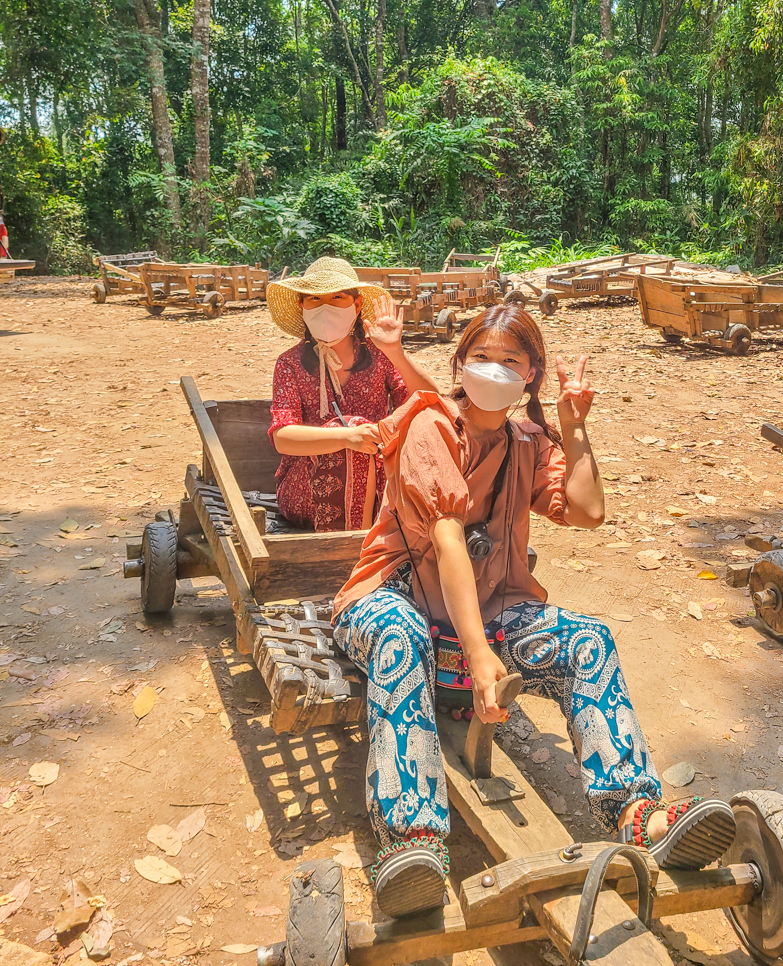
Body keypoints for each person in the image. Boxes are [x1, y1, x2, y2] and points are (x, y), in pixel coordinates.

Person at [332, 304, 737, 919]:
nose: (494, 370)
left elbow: (587, 511)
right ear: (459, 365)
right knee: (399, 634)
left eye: (510, 361)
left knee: (588, 641)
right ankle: (411, 841)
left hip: (492, 611)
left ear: (532, 376)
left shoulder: (528, 440)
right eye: (482, 358)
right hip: (394, 598)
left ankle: (636, 811)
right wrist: (477, 652)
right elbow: (446, 540)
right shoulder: (428, 426)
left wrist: (574, 430)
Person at [266, 257, 439, 531]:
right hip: (306, 491)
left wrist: (396, 352)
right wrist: (348, 438)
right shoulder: (290, 363)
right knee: (352, 431)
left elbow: (430, 400)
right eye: (314, 299)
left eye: (337, 297)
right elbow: (283, 438)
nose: (325, 308)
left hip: (381, 482)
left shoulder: (380, 355)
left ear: (356, 306)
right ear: (302, 307)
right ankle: (352, 545)